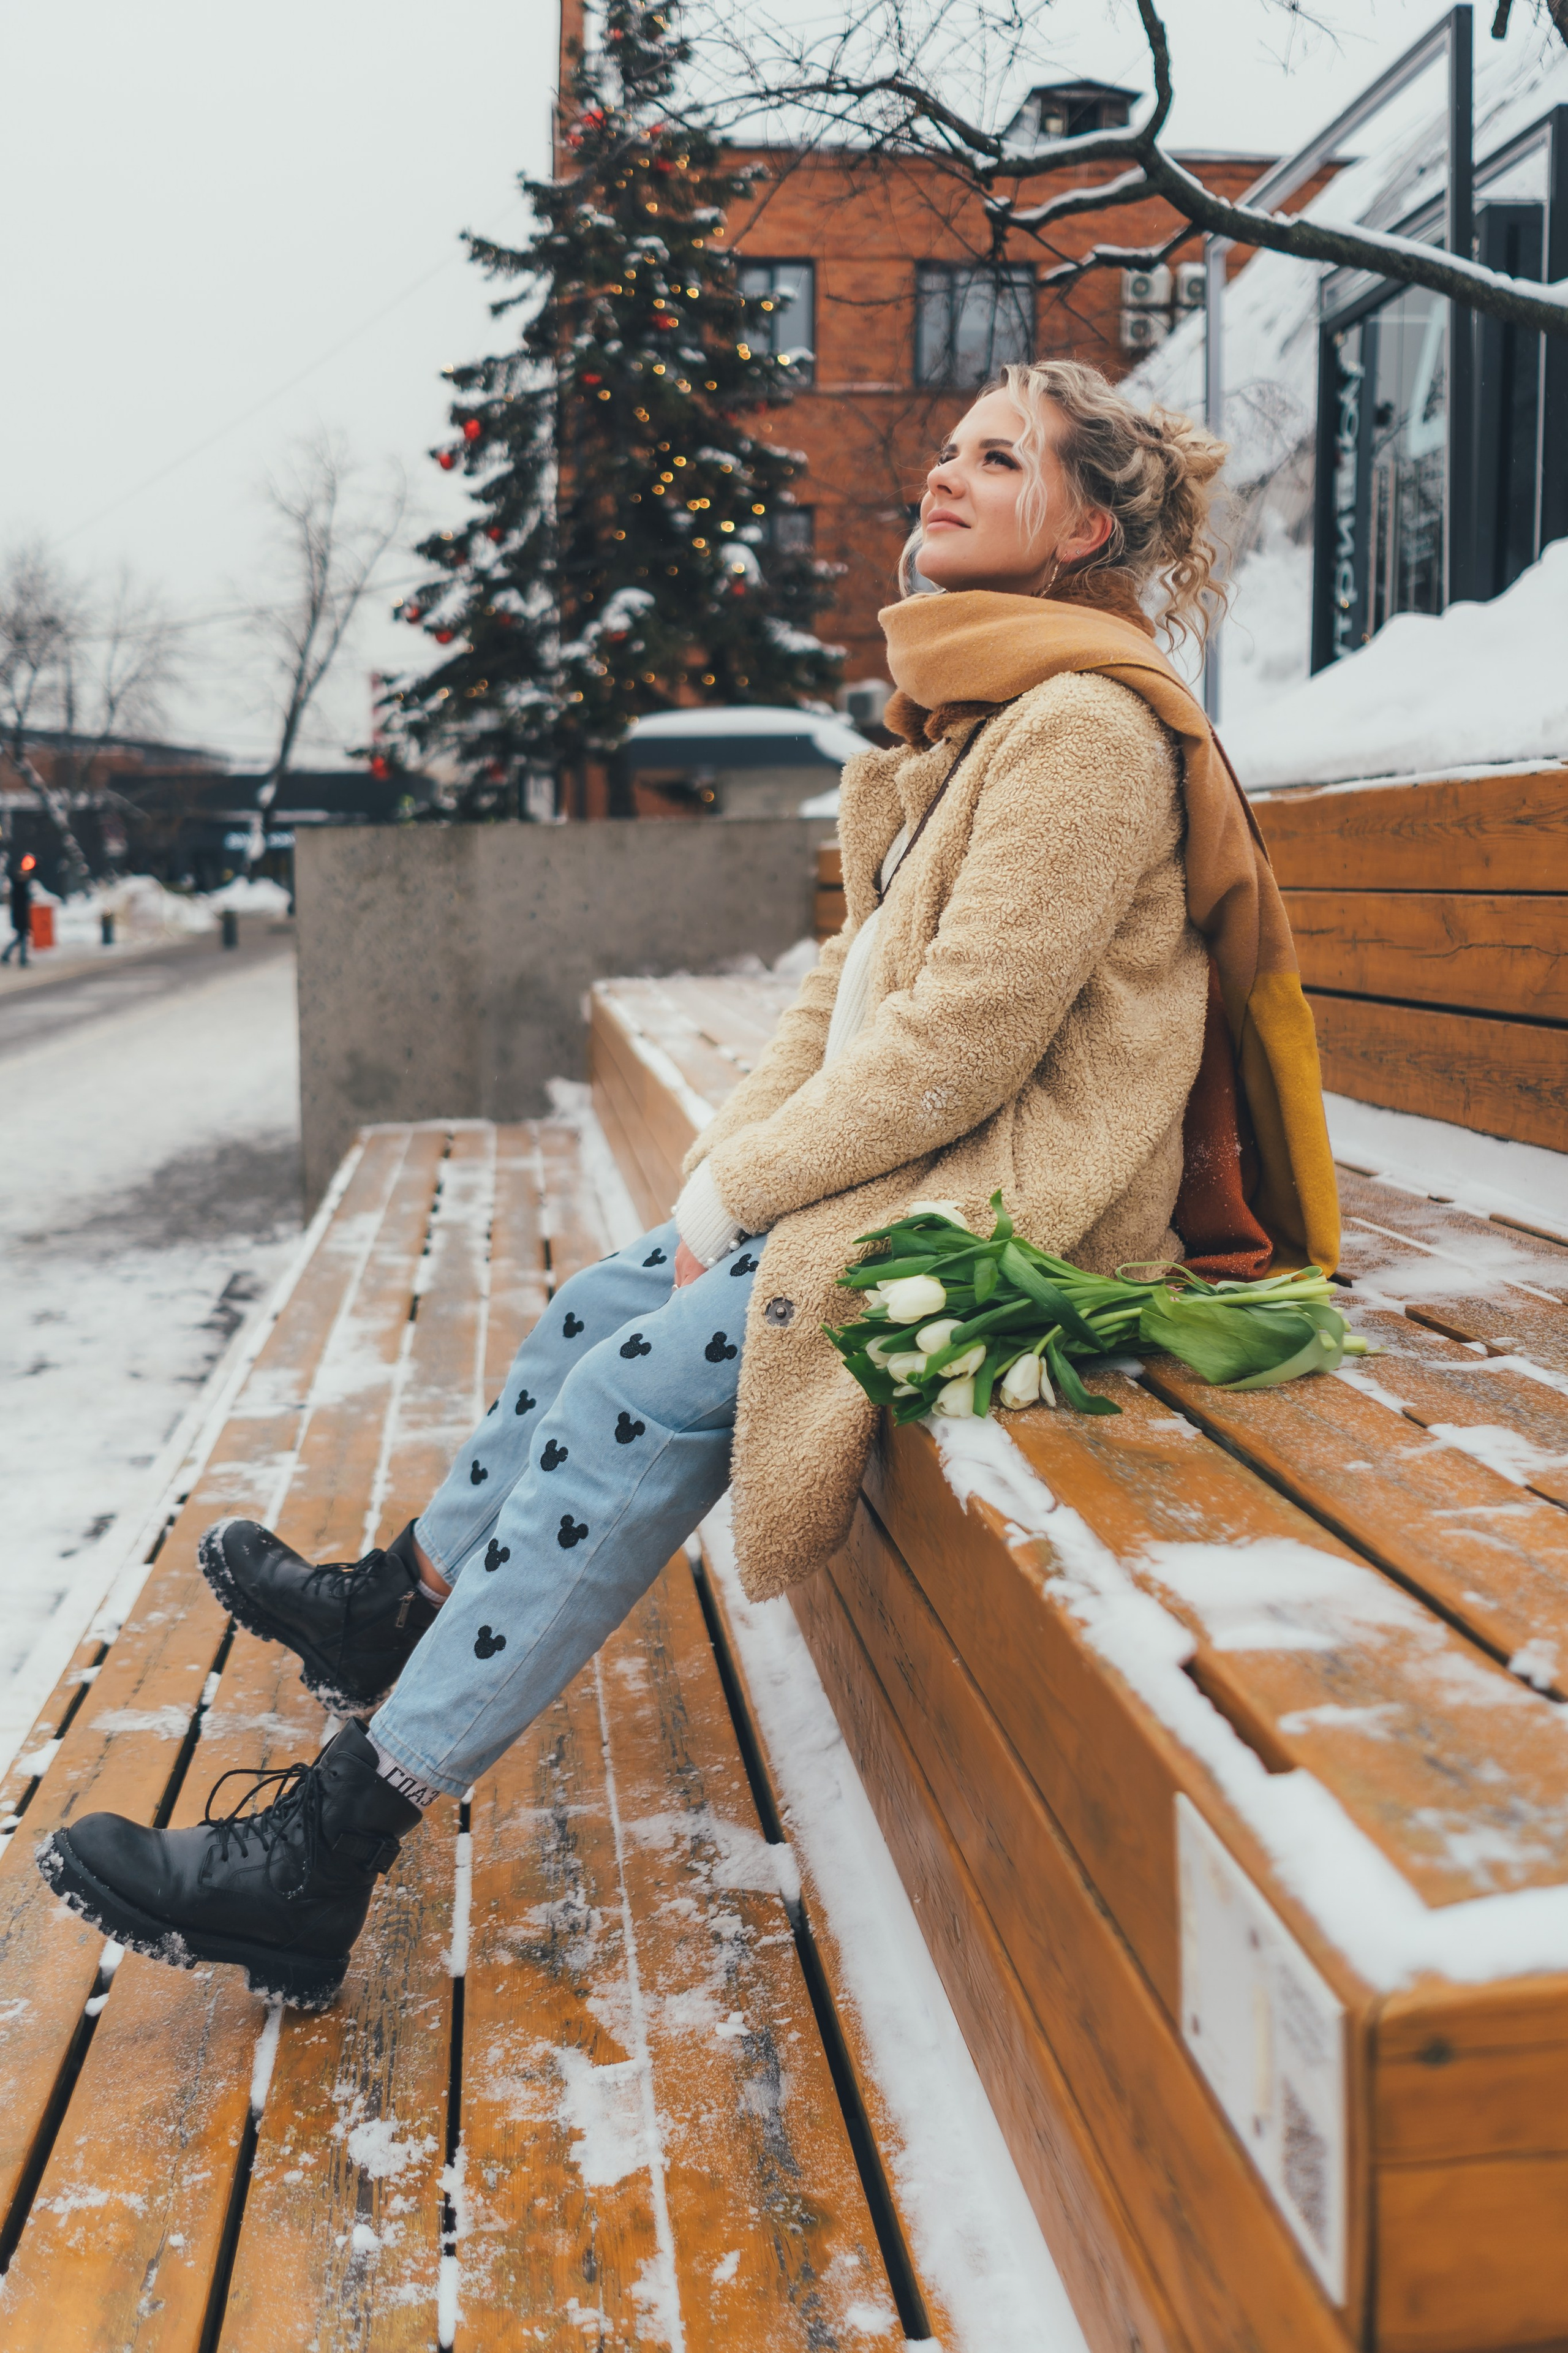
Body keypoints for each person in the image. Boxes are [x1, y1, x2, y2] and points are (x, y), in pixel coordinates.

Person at [38, 361, 1338, 2011]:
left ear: (1084, 530)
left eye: (998, 458)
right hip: (940, 1157)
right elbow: (842, 993)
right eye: (949, 447)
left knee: (631, 1392)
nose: (943, 472)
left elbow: (959, 1045)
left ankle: (327, 1853)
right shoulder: (972, 719)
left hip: (1026, 1198)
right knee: (607, 1298)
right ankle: (394, 1604)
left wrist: (746, 1198)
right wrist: (727, 1177)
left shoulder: (1080, 728)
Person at [2, 852, 36, 966]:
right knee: (22, 936)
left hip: (20, 915)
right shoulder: (19, 887)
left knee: (20, 937)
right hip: (19, 915)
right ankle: (21, 959)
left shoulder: (19, 886)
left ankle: (9, 956)